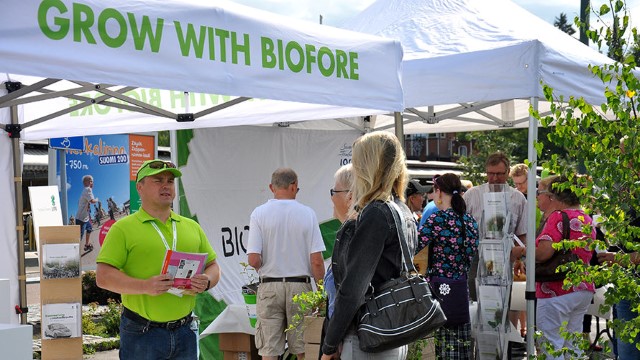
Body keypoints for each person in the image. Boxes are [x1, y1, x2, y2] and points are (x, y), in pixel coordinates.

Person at [95, 159, 220, 360]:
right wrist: (144, 286)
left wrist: (207, 281)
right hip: (142, 333)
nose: (166, 185)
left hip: (186, 330)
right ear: (140, 188)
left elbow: (213, 265)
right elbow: (103, 276)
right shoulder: (122, 228)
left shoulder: (191, 226)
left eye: (170, 181)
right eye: (158, 180)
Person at [321, 131, 416, 360]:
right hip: (391, 330)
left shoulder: (376, 212)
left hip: (368, 335)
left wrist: (329, 345)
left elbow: (353, 289)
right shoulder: (401, 208)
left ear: (366, 166)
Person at [246, 168, 326, 360]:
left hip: (269, 285)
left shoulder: (259, 214)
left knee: (269, 351)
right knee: (303, 348)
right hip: (300, 286)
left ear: (271, 187)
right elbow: (316, 261)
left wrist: (264, 268)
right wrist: (321, 290)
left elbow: (253, 259)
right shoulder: (308, 214)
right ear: (293, 187)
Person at [416, 173, 479, 359]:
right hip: (460, 289)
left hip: (438, 291)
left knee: (440, 345)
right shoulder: (470, 221)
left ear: (439, 192)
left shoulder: (436, 219)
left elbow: (415, 248)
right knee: (460, 345)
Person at [533, 175, 595, 359]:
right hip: (582, 286)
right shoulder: (586, 218)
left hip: (555, 289)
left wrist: (523, 250)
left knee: (551, 344)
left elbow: (544, 253)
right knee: (572, 345)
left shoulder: (558, 217)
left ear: (554, 195)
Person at [463, 152, 528, 300]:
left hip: (505, 256)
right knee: (474, 301)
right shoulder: (472, 195)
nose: (495, 178)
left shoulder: (517, 198)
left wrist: (520, 259)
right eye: (490, 173)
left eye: (499, 174)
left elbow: (522, 234)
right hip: (475, 257)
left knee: (501, 305)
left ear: (507, 172)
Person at [76, 175, 98, 252]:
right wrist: (97, 199)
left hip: (85, 218)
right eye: (91, 181)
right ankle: (73, 252)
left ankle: (87, 244)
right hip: (81, 219)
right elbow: (92, 201)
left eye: (92, 181)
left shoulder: (84, 191)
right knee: (79, 237)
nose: (92, 183)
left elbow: (80, 203)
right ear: (86, 182)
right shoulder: (88, 189)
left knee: (89, 228)